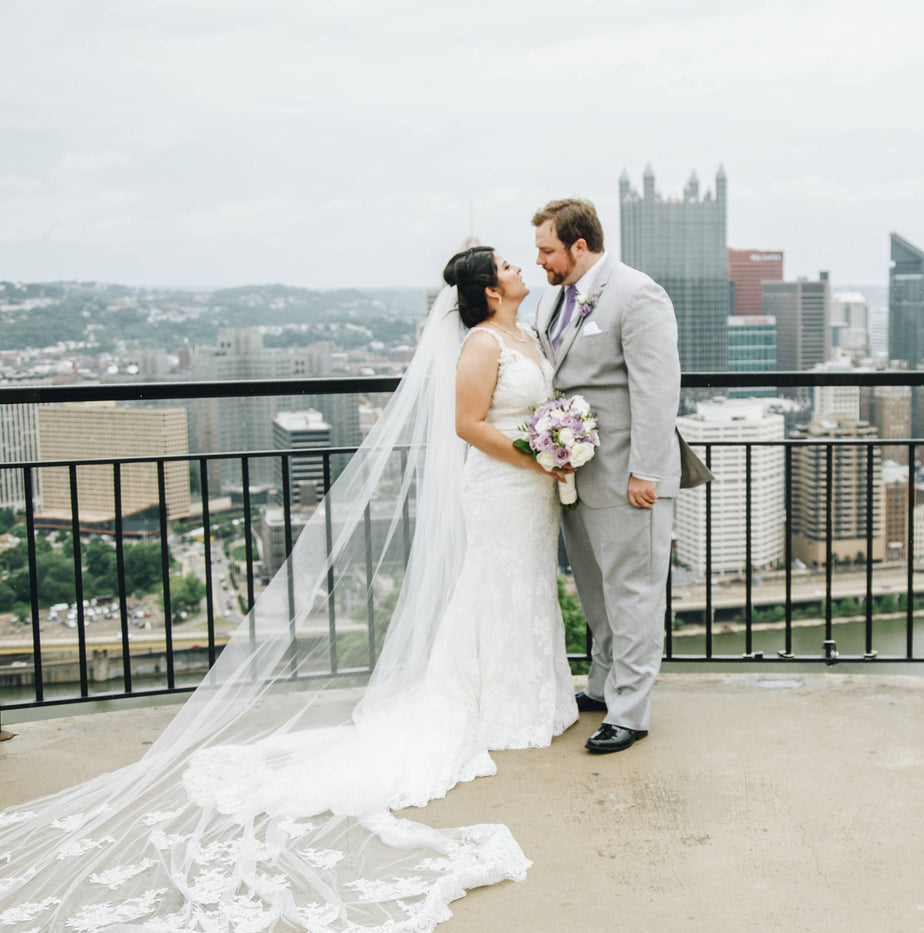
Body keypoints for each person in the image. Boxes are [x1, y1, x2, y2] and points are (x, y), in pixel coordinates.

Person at [0, 246, 575, 930]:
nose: (518, 268)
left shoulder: (527, 332)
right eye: (509, 265)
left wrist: (556, 447)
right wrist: (539, 455)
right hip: (502, 484)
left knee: (525, 589)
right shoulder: (482, 343)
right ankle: (495, 701)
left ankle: (532, 689)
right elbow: (467, 424)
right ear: (486, 291)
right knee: (492, 587)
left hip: (533, 492)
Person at [533, 198, 682, 754]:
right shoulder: (554, 297)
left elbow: (657, 388)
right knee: (596, 592)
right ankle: (601, 684)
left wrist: (646, 470)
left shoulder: (637, 293)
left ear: (578, 245)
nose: (541, 261)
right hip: (576, 475)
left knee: (633, 595)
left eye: (548, 250)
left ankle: (631, 712)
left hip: (629, 479)